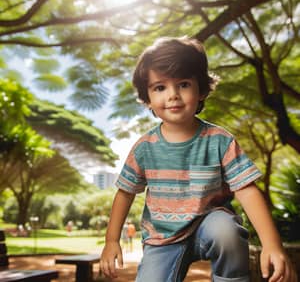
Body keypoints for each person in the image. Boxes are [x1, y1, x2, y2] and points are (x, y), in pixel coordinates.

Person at [100, 37, 297, 282]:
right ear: (147, 98)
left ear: (201, 89)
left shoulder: (220, 141)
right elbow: (125, 192)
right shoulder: (144, 148)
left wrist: (272, 244)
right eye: (160, 87)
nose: (172, 95)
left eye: (183, 84)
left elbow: (247, 190)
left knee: (227, 231)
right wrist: (111, 240)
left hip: (210, 226)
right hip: (163, 239)